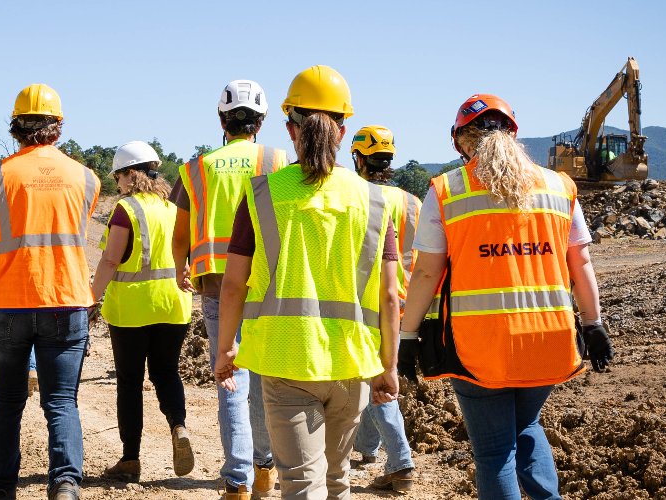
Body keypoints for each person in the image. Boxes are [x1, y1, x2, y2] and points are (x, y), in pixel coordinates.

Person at [398, 94, 613, 500]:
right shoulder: (559, 187)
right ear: (514, 134)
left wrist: (407, 338)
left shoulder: (446, 190)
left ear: (461, 140)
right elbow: (580, 263)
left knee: (495, 451)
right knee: (527, 425)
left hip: (482, 346)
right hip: (548, 340)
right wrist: (594, 324)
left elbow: (426, 271)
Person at [214, 64, 402, 500]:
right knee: (336, 480)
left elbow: (233, 285)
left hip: (285, 360)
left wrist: (226, 349)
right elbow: (390, 295)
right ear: (343, 130)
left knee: (300, 482)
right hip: (351, 362)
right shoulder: (373, 201)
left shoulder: (262, 194)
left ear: (289, 129)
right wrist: (387, 368)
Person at [0, 83, 100, 500]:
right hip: (65, 298)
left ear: (15, 128)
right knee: (62, 401)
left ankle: (2, 488)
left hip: (8, 302)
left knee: (7, 400)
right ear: (57, 127)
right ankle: (65, 484)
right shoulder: (87, 178)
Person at [169, 79, 285, 500]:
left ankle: (237, 479)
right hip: (268, 284)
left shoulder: (197, 168)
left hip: (217, 283)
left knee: (231, 375)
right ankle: (264, 468)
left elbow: (180, 234)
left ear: (222, 119)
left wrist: (181, 269)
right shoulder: (278, 160)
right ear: (262, 121)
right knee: (264, 374)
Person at [89, 141, 195, 484]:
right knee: (166, 374)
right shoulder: (171, 207)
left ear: (129, 174)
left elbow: (110, 259)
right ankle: (178, 426)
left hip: (132, 310)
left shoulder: (126, 210)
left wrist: (91, 297)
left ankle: (130, 460)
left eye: (118, 176)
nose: (116, 183)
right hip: (174, 305)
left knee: (131, 383)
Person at [347, 125, 419, 492]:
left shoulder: (354, 196)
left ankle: (402, 461)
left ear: (358, 158)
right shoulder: (411, 202)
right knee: (376, 376)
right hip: (405, 301)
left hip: (368, 301)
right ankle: (368, 448)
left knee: (378, 382)